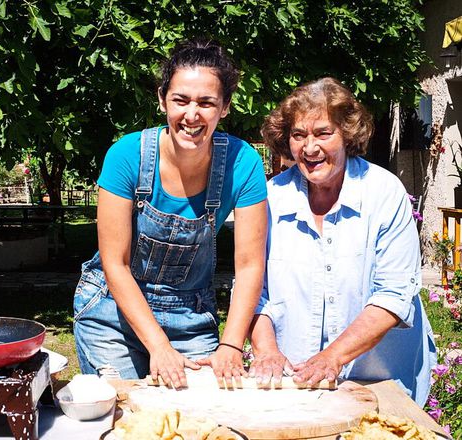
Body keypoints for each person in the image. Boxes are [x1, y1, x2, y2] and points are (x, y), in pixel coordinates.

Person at [73, 39, 267, 388]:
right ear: (163, 98)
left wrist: (231, 344)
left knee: (203, 417)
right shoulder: (127, 155)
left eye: (206, 103)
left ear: (224, 108)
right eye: (181, 100)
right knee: (129, 415)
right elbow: (114, 263)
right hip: (112, 314)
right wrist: (159, 347)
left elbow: (250, 265)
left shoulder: (244, 164)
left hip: (189, 317)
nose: (192, 115)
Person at [249, 77, 436, 406]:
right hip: (294, 383)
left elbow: (393, 295)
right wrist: (266, 351)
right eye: (298, 135)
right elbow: (254, 291)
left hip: (378, 381)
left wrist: (332, 357)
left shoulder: (383, 192)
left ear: (347, 135)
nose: (310, 148)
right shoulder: (270, 198)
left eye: (323, 133)